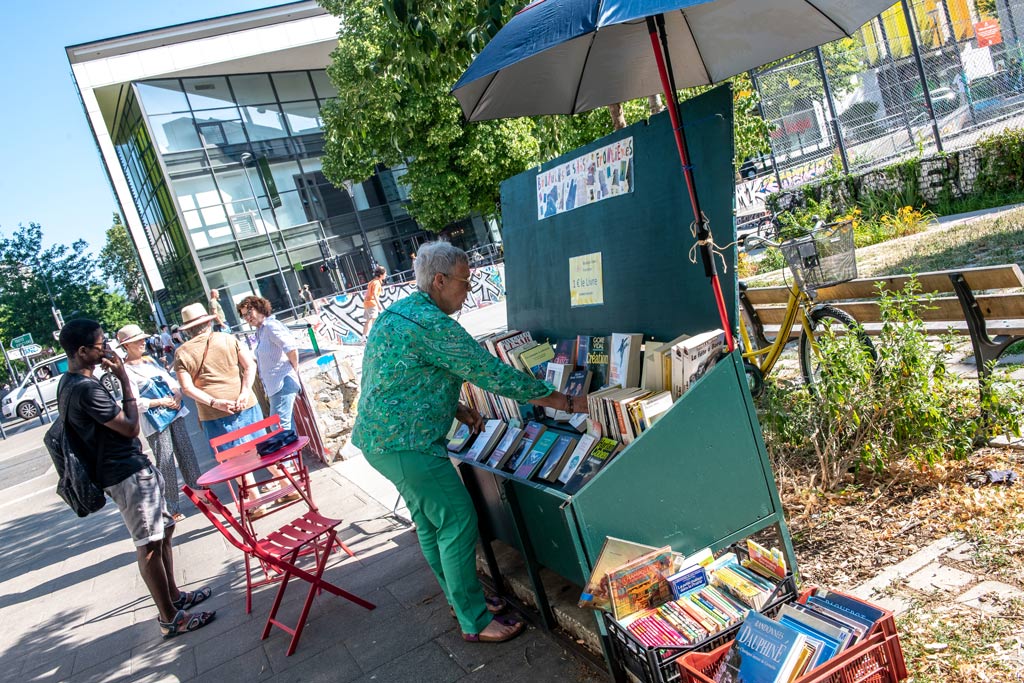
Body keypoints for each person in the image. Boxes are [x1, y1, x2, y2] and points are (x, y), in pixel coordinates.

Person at [352, 241, 587, 644]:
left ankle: (460, 600)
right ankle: (474, 620)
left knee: (430, 523)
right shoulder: (435, 326)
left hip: (379, 440)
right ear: (440, 281)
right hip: (408, 445)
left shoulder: (398, 313)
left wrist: (457, 407)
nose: (469, 290)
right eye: (465, 281)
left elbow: (399, 377)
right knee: (458, 520)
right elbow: (494, 375)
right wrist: (564, 401)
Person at [57, 319, 215, 638]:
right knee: (149, 545)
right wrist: (123, 380)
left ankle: (174, 596)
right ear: (83, 351)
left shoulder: (70, 382)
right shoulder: (84, 388)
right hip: (124, 474)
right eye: (102, 345)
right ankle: (170, 617)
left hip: (130, 468)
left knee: (164, 530)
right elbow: (130, 426)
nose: (107, 350)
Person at [117, 324, 202, 522]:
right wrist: (160, 401)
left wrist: (178, 394)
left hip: (174, 414)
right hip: (155, 421)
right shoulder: (125, 372)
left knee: (186, 452)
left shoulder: (150, 362)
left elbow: (171, 381)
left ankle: (201, 492)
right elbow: (132, 402)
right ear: (126, 345)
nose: (142, 342)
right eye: (137, 340)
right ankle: (170, 506)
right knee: (165, 462)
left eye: (142, 338)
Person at [236, 295, 302, 431]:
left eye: (249, 312)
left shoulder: (271, 326)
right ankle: (295, 452)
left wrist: (295, 369)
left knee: (279, 426)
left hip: (282, 382)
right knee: (285, 425)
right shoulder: (261, 331)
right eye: (244, 316)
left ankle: (291, 452)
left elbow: (291, 348)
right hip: (275, 386)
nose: (248, 318)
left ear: (259, 308)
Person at [362, 265, 387, 341]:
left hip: (367, 303)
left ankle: (363, 336)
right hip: (372, 303)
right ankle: (374, 336)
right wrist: (379, 305)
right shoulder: (376, 283)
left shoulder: (372, 282)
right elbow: (375, 294)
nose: (385, 275)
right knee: (374, 320)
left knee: (369, 320)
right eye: (385, 274)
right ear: (381, 275)